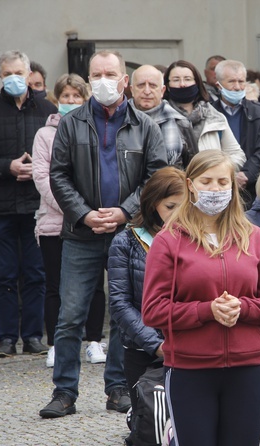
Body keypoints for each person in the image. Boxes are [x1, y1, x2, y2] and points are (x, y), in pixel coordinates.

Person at [39, 49, 168, 419]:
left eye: (111, 74)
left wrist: (125, 211)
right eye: (97, 74)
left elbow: (155, 178)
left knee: (125, 313)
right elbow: (58, 175)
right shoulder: (71, 123)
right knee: (70, 315)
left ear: (124, 80)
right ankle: (64, 391)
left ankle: (118, 389)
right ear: (88, 78)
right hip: (82, 233)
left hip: (130, 233)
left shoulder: (146, 126)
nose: (104, 81)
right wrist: (85, 214)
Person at [141, 150, 260, 446]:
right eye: (206, 181)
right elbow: (153, 310)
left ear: (234, 186)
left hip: (248, 369)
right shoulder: (169, 240)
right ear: (191, 184)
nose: (215, 188)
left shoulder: (254, 237)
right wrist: (206, 310)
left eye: (223, 181)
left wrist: (243, 308)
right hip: (189, 370)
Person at [0, 50, 56, 358]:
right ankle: (6, 338)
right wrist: (9, 167)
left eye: (19, 72)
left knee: (35, 272)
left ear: (30, 73)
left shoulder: (46, 109)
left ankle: (32, 336)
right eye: (7, 74)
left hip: (37, 205)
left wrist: (37, 169)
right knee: (3, 274)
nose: (14, 78)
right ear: (0, 77)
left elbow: (62, 155)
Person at [32, 73, 107, 368]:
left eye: (77, 96)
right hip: (55, 221)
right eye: (66, 96)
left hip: (90, 221)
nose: (71, 101)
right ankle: (55, 344)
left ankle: (93, 341)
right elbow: (43, 176)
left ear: (85, 98)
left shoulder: (95, 129)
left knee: (95, 286)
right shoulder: (44, 135)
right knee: (55, 285)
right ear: (56, 99)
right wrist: (75, 209)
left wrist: (88, 213)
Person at [108, 166, 185, 424]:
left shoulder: (194, 238)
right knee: (148, 423)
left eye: (185, 206)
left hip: (187, 344)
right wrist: (155, 344)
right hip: (141, 347)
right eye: (171, 206)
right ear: (153, 205)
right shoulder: (126, 242)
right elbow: (120, 303)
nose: (178, 214)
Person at [163, 60, 245, 169]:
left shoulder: (215, 116)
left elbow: (237, 154)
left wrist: (217, 170)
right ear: (167, 86)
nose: (182, 84)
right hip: (173, 183)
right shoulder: (159, 117)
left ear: (197, 82)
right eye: (176, 80)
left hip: (210, 183)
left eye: (187, 79)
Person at [212, 60, 260, 206]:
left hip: (251, 190)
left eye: (241, 81)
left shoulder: (259, 113)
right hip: (216, 188)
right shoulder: (209, 114)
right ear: (218, 85)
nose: (237, 87)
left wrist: (245, 175)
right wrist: (225, 178)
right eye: (231, 81)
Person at [129, 65, 183, 166]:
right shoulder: (117, 119)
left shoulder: (181, 122)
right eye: (141, 85)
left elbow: (192, 167)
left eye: (153, 85)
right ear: (132, 90)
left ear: (162, 91)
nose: (147, 91)